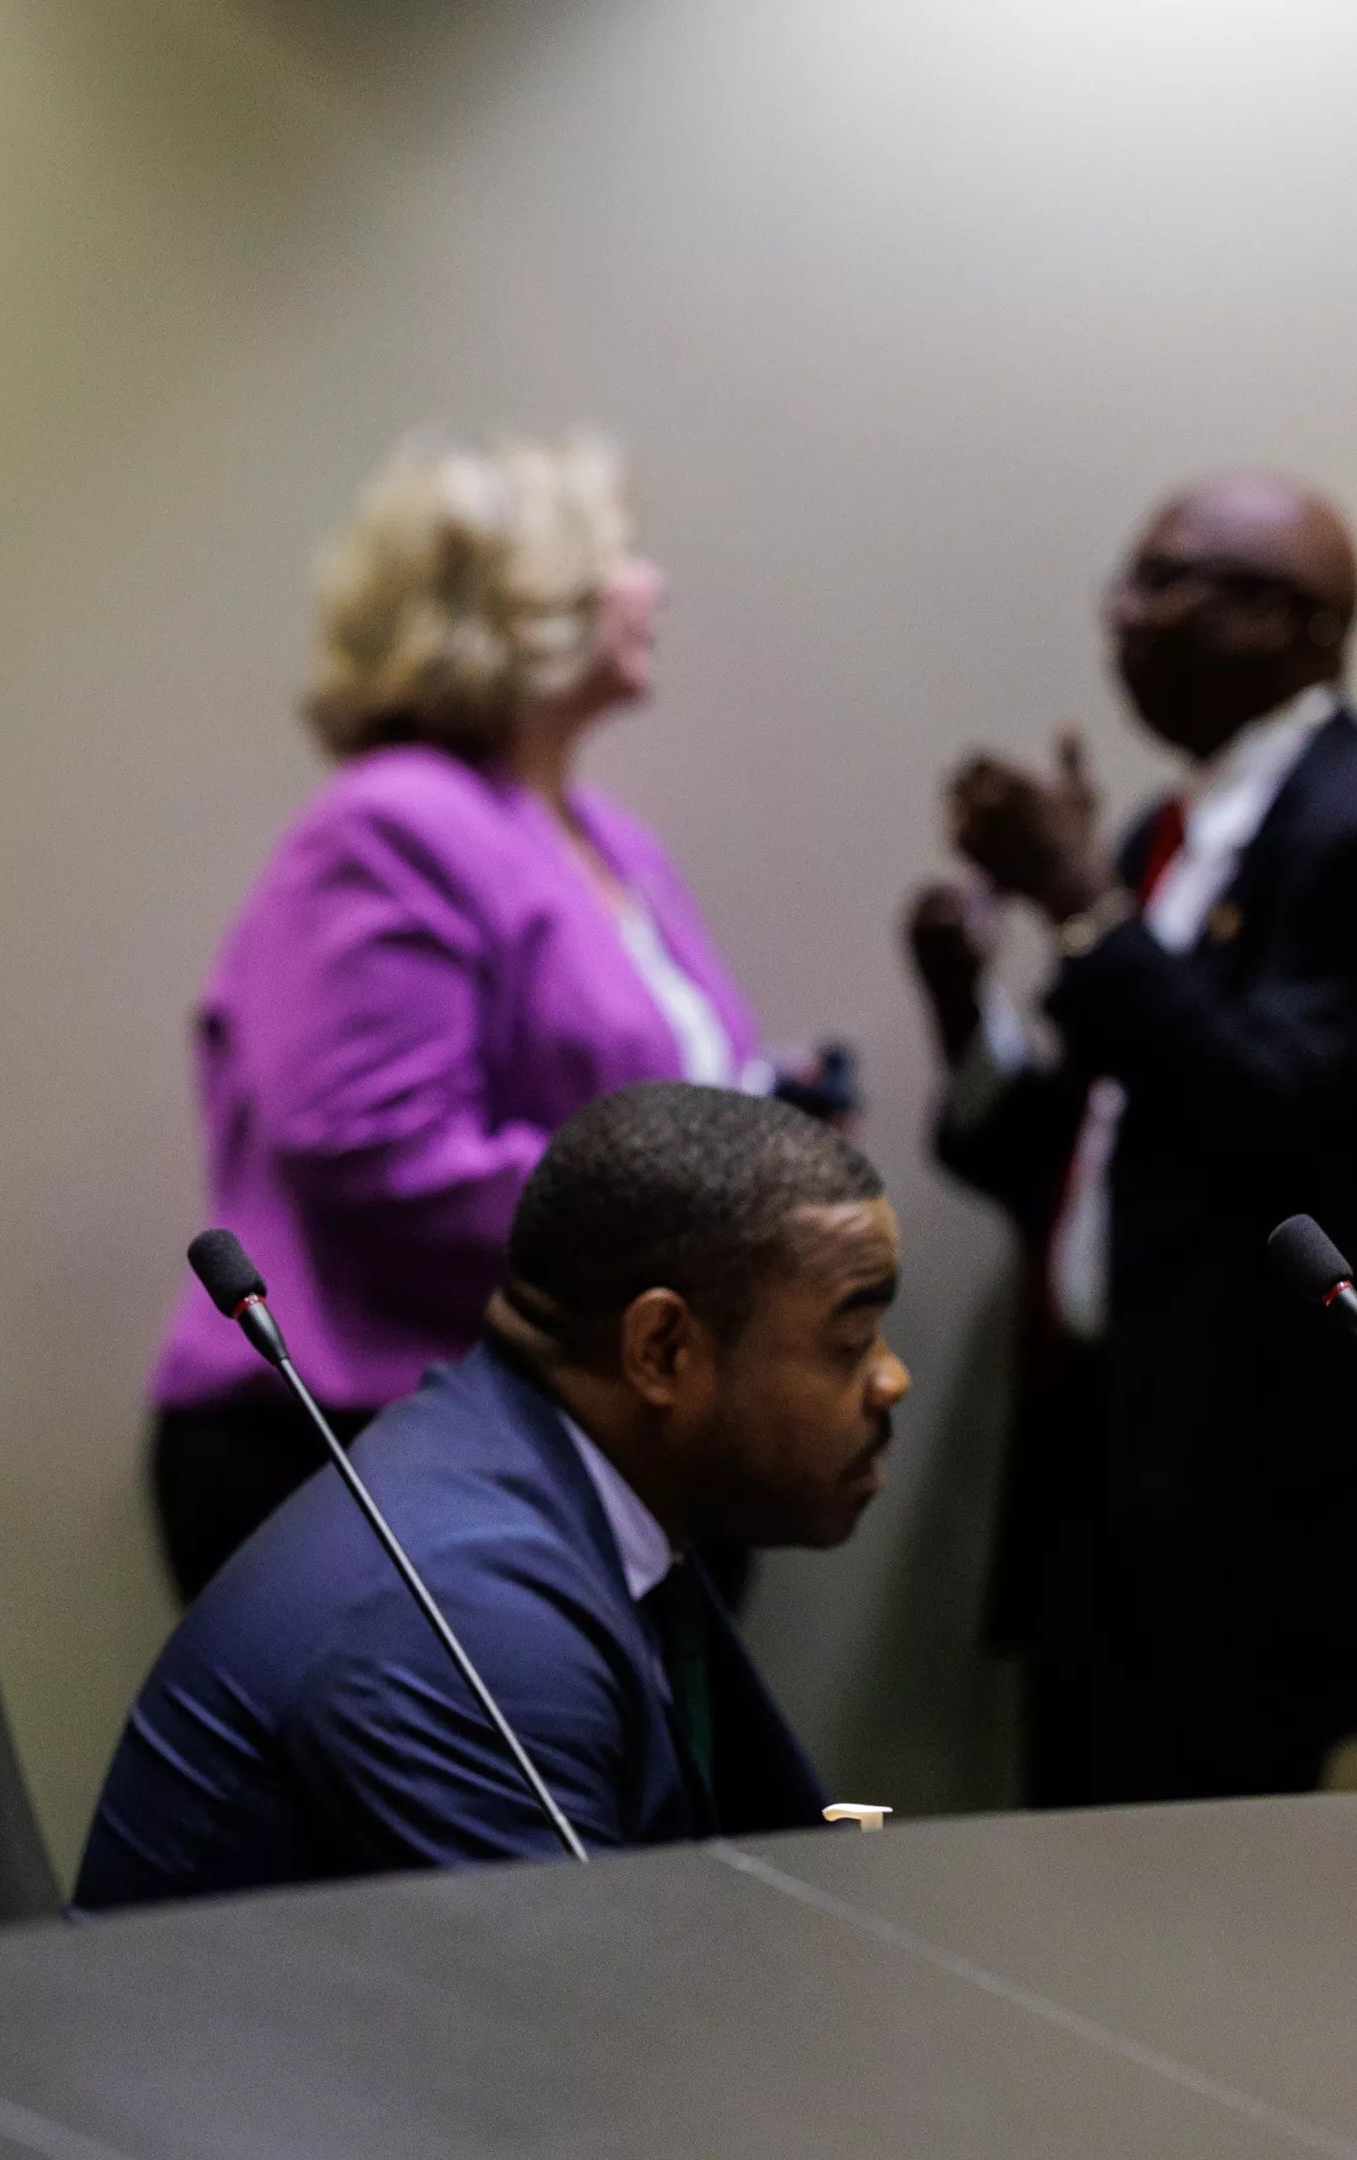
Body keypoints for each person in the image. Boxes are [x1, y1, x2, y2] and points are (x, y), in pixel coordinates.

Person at [147, 432, 773, 1601]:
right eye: (625, 554)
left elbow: (648, 1100)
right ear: (529, 600)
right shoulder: (392, 822)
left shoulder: (596, 832)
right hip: (384, 1449)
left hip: (568, 1450)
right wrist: (697, 1212)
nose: (658, 585)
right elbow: (373, 1146)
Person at [77, 1084, 904, 1905]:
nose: (891, 1379)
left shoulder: (571, 1484)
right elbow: (580, 2021)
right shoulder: (464, 1618)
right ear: (661, 1350)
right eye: (852, 1341)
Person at [910, 472, 1357, 1805]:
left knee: (1197, 1908)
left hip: (1250, 1492)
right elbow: (1085, 1161)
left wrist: (1081, 906)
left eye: (1163, 582)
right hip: (1101, 1454)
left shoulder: (1343, 826)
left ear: (1285, 621)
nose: (1121, 613)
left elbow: (1278, 1124)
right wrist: (964, 1005)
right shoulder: (1174, 828)